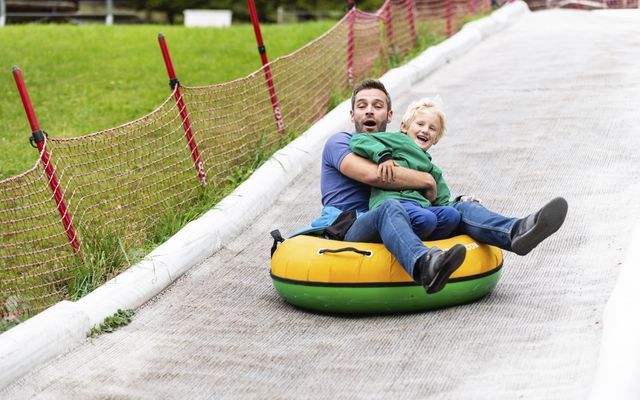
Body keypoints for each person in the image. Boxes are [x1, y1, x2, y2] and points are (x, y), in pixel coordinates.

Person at [296, 79, 567, 295]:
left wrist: (459, 200)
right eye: (362, 105)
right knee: (390, 206)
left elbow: (429, 194)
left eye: (377, 105)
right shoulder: (341, 141)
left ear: (390, 116)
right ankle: (426, 264)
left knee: (458, 208)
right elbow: (374, 176)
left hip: (401, 218)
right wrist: (426, 180)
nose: (369, 110)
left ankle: (516, 231)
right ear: (352, 113)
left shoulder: (397, 146)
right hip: (353, 225)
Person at [349, 97, 461, 241]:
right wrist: (384, 156)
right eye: (420, 124)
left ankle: (417, 243)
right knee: (426, 218)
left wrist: (462, 200)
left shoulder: (432, 169)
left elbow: (443, 202)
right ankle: (405, 241)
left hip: (420, 207)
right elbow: (359, 139)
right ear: (404, 127)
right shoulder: (399, 140)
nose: (425, 130)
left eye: (432, 128)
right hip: (394, 203)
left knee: (451, 215)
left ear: (436, 139)